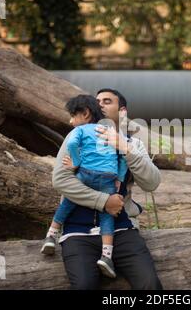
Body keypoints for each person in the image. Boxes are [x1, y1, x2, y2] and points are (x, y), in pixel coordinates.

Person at [52, 88, 163, 289]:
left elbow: (152, 183)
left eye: (107, 101)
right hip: (78, 232)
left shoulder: (133, 143)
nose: (100, 104)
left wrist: (126, 149)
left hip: (121, 230)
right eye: (97, 101)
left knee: (150, 284)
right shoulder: (76, 137)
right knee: (84, 286)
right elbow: (60, 180)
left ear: (122, 112)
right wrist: (104, 202)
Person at [40, 94, 127, 279]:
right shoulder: (111, 133)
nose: (71, 122)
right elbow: (123, 157)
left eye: (73, 116)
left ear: (86, 114)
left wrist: (76, 163)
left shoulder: (78, 131)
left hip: (86, 174)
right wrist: (119, 177)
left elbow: (71, 144)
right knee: (108, 214)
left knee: (70, 199)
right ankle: (106, 256)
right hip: (109, 178)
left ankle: (51, 235)